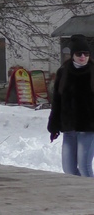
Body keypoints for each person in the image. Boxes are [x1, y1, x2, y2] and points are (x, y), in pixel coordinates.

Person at [48, 34, 94, 177]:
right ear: (72, 55)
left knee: (85, 167)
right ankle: (80, 194)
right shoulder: (64, 72)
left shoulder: (92, 72)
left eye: (86, 54)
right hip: (69, 128)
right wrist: (54, 126)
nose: (82, 57)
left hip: (88, 128)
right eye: (79, 53)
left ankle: (89, 195)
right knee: (69, 169)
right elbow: (57, 101)